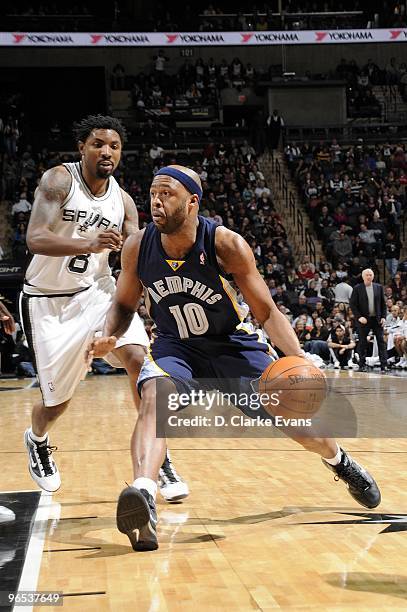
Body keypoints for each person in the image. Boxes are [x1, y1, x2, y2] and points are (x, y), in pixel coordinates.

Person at [88, 164, 381, 552]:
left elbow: (267, 312)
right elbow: (124, 304)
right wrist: (109, 334)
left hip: (232, 345)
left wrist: (300, 359)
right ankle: (143, 493)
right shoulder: (138, 246)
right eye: (153, 194)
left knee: (294, 420)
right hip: (177, 346)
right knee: (154, 400)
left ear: (192, 202)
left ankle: (339, 460)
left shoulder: (225, 244)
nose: (156, 201)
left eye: (167, 194)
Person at [21, 115, 188, 502]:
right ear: (82, 147)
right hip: (49, 300)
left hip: (98, 293)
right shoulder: (59, 181)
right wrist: (89, 243)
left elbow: (139, 255)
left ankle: (156, 457)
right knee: (56, 403)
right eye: (98, 144)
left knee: (136, 358)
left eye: (113, 146)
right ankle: (38, 438)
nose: (106, 151)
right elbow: (35, 237)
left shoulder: (124, 201)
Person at [349, 268, 387, 372]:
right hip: (363, 319)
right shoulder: (357, 288)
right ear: (363, 277)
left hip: (377, 319)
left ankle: (384, 365)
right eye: (367, 275)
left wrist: (383, 317)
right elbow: (352, 304)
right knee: (362, 342)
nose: (369, 276)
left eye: (370, 275)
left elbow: (383, 304)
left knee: (381, 341)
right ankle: (362, 364)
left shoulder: (378, 287)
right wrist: (359, 317)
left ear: (373, 276)